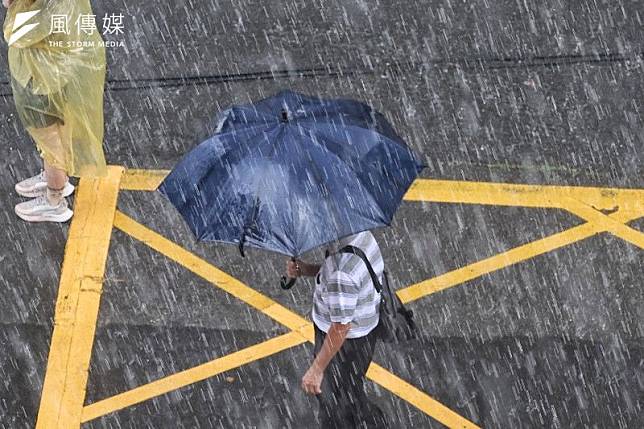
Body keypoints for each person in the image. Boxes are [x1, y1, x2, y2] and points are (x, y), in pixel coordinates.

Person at [3, 0, 107, 222]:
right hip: (60, 69)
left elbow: (16, 32)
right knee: (56, 134)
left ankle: (54, 200)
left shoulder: (43, 14)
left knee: (52, 143)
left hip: (42, 78)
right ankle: (55, 180)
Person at [286, 231, 388, 428]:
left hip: (343, 345)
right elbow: (336, 273)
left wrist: (317, 369)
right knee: (349, 392)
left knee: (334, 405)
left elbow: (341, 327)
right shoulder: (361, 235)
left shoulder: (342, 274)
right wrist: (306, 269)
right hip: (362, 335)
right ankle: (372, 420)